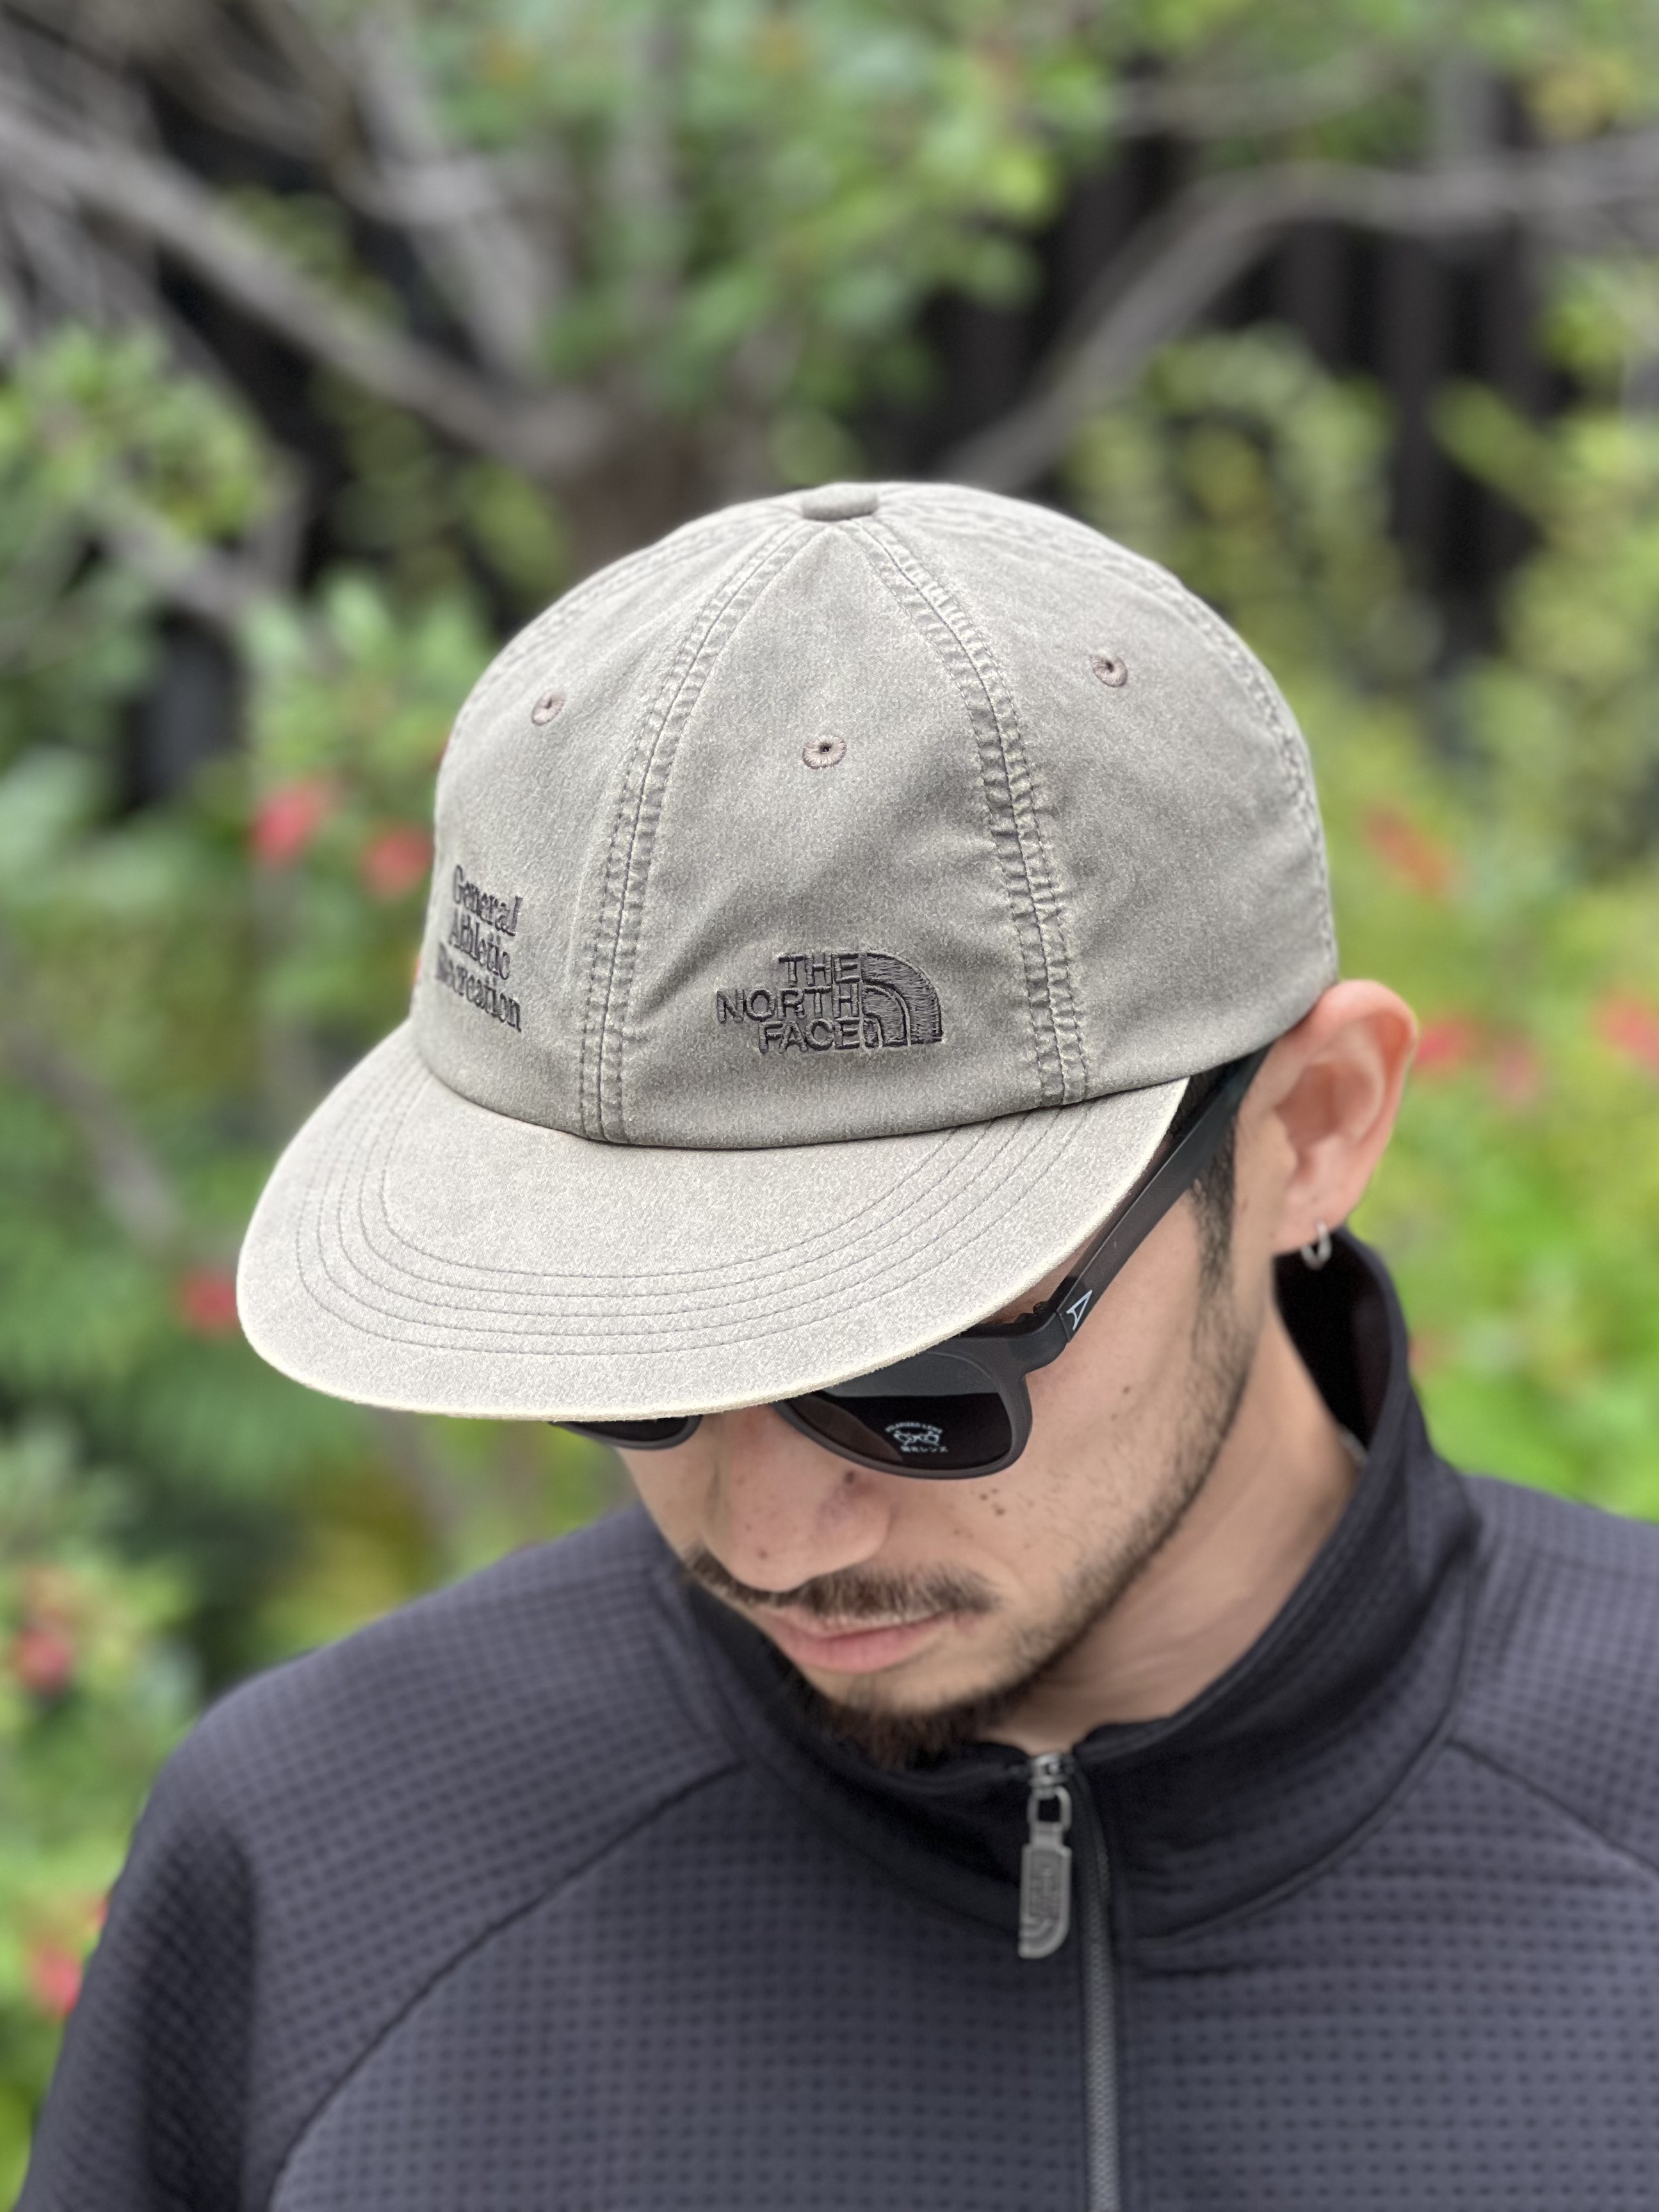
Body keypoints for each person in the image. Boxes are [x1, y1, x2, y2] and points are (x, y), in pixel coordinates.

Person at [21, 483, 1659, 2212]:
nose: (772, 1536)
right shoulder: (319, 1867)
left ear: (1310, 1129)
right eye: (633, 1359)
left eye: (914, 1365)